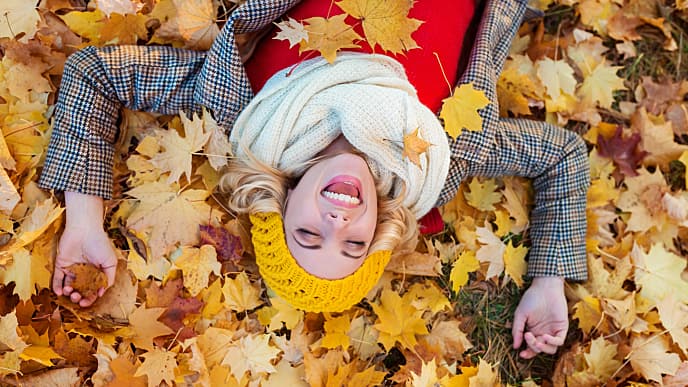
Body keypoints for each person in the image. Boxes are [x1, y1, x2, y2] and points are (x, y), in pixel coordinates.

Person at [38, 0, 589, 360]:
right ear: (380, 227)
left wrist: (84, 218)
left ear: (282, 203)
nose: (339, 221)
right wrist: (548, 282)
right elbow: (562, 155)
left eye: (309, 235)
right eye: (354, 242)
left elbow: (95, 73)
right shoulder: (447, 155)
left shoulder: (243, 108)